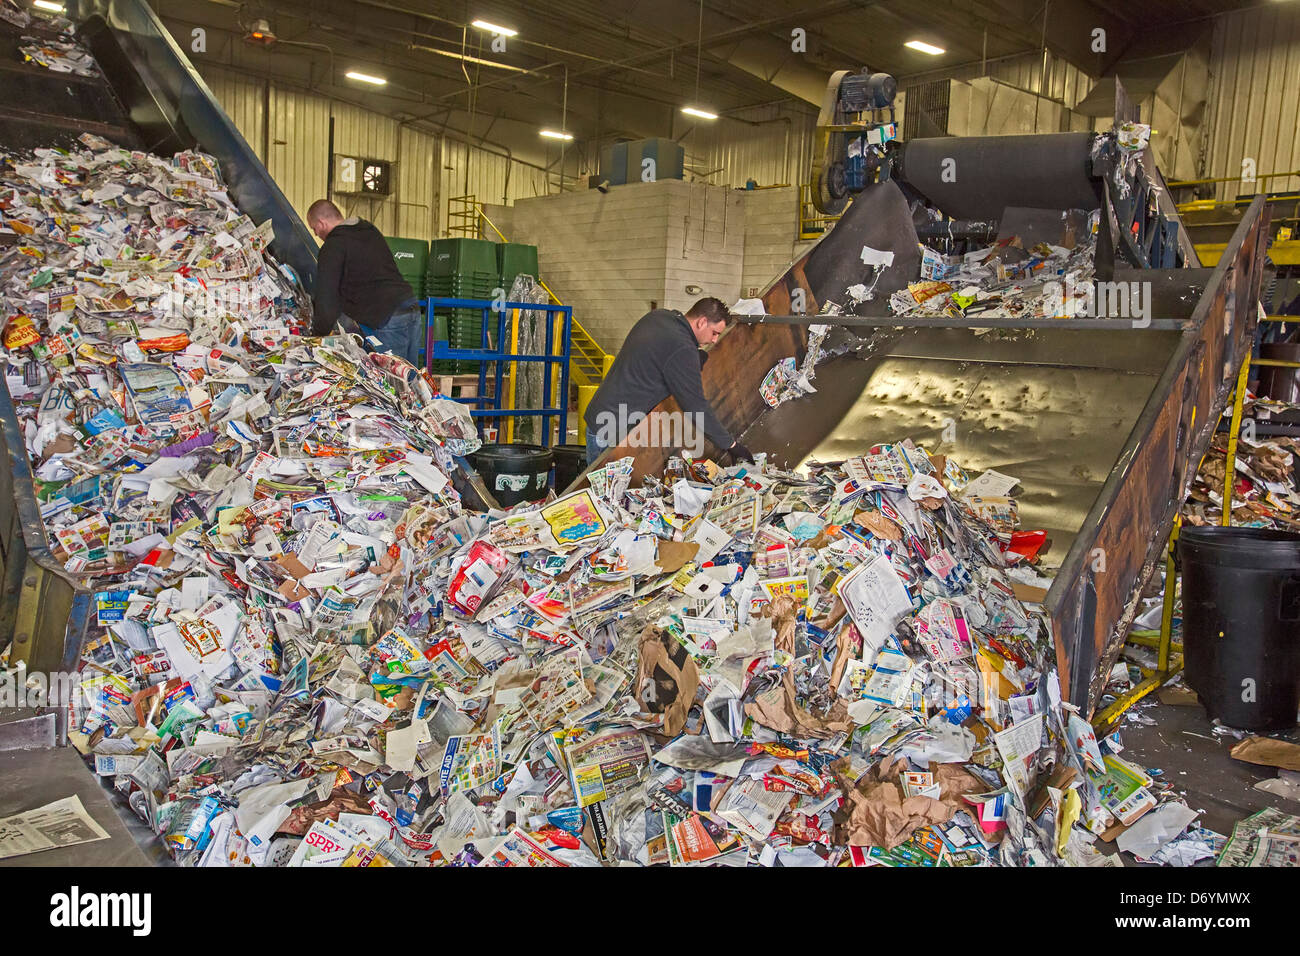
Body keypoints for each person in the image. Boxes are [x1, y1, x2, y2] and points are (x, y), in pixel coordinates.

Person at [584, 297, 753, 465]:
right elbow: (696, 406)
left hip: (599, 418)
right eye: (715, 333)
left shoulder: (659, 317)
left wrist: (693, 359)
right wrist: (730, 444)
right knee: (607, 490)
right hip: (612, 431)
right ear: (702, 322)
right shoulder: (683, 348)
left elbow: (658, 359)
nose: (715, 340)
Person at [305, 199, 424, 367]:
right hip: (410, 306)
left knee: (390, 383)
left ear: (321, 223)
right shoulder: (369, 231)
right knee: (411, 379)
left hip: (385, 318)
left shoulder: (333, 246)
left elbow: (327, 299)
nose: (316, 234)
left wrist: (316, 337)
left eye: (314, 228)